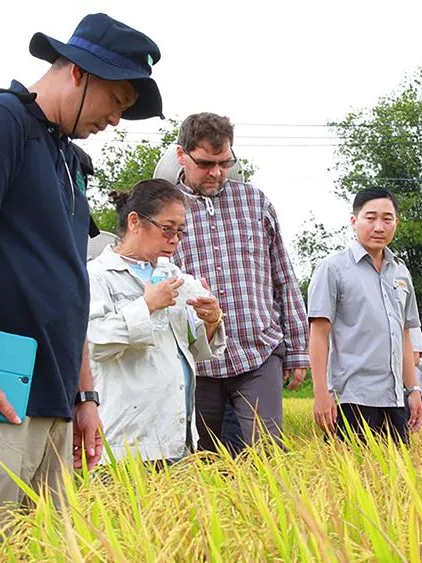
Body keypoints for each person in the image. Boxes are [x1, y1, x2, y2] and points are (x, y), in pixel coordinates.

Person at [0, 13, 164, 527]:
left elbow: (67, 286)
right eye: (117, 100)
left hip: (52, 395)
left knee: (45, 547)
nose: (116, 120)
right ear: (77, 72)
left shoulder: (67, 160)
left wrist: (84, 396)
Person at [169, 112, 309, 453]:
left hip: (258, 351)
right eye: (205, 163)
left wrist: (298, 350)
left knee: (267, 454)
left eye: (225, 162)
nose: (216, 172)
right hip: (195, 359)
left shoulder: (255, 202)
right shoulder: (167, 209)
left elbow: (283, 278)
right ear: (181, 155)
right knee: (202, 461)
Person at [86, 179, 226, 463]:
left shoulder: (176, 278)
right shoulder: (97, 276)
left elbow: (193, 352)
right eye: (167, 228)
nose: (174, 239)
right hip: (127, 442)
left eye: (180, 232)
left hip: (177, 437)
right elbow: (94, 344)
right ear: (135, 221)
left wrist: (211, 321)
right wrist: (147, 306)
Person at [308, 188, 422, 444]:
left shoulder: (401, 273)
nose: (379, 227)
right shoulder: (333, 269)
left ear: (397, 223)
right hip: (352, 396)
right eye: (370, 218)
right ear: (354, 221)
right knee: (349, 479)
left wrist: (414, 390)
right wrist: (321, 393)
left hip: (393, 398)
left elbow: (404, 335)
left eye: (387, 219)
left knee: (397, 479)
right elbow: (319, 334)